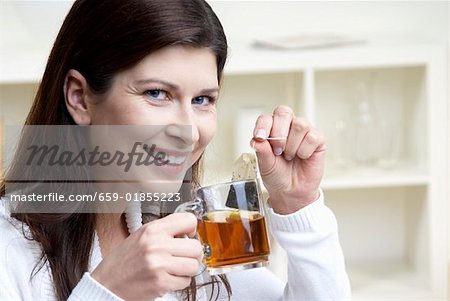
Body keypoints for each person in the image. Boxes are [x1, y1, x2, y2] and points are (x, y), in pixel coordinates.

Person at [0, 0, 351, 300]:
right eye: (156, 93)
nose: (188, 131)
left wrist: (298, 206)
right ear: (80, 97)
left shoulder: (190, 226)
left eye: (202, 100)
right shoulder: (9, 250)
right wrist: (107, 290)